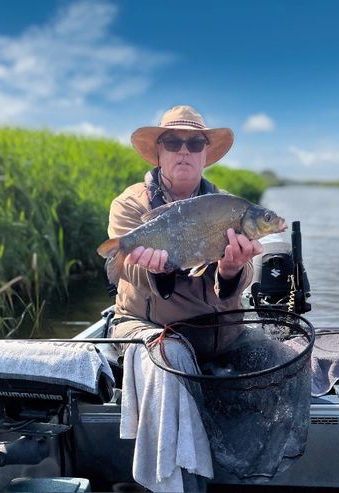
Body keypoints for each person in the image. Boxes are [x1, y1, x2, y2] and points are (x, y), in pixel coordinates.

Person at [106, 105, 263, 492]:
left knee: (271, 361)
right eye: (173, 142)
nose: (184, 150)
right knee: (170, 355)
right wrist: (155, 270)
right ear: (158, 152)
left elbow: (242, 278)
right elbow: (121, 268)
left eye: (195, 143)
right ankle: (176, 484)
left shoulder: (226, 206)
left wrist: (230, 271)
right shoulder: (130, 204)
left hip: (214, 332)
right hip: (149, 327)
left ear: (205, 154)